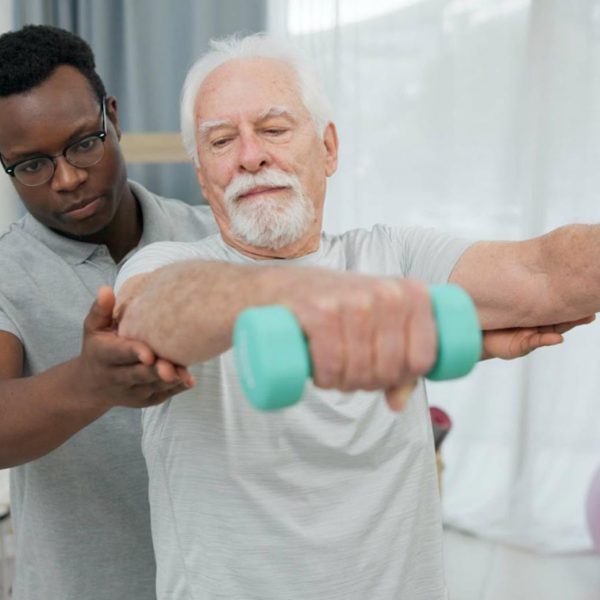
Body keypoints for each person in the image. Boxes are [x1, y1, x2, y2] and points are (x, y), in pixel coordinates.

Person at [113, 35, 597, 599]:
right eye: (222, 140)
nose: (250, 155)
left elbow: (545, 273)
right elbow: (147, 318)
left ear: (329, 148)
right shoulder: (168, 265)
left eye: (273, 129)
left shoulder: (393, 258)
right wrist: (293, 292)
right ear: (203, 176)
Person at [0, 25, 218, 600]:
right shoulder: (4, 273)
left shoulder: (211, 236)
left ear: (113, 118)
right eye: (31, 166)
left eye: (83, 143)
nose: (68, 179)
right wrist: (91, 382)